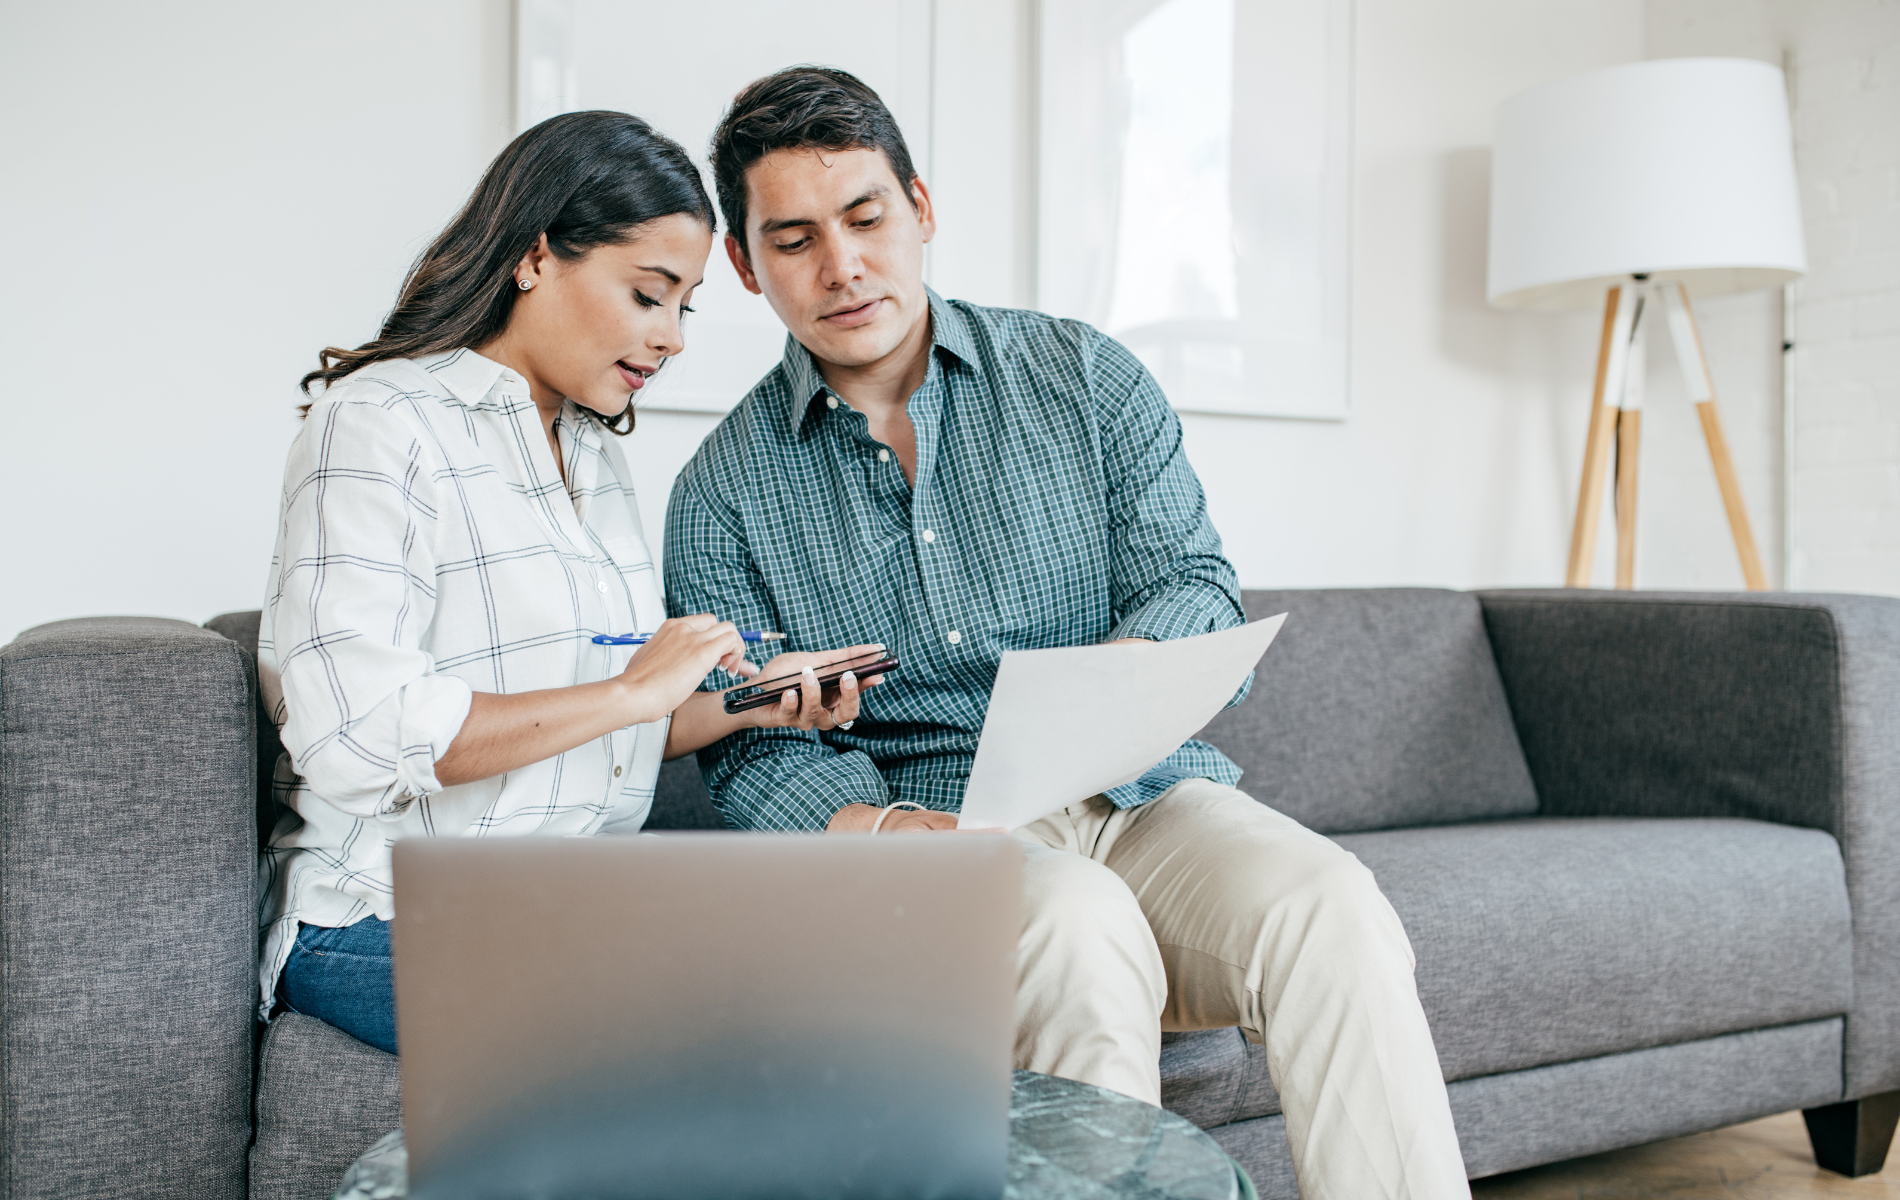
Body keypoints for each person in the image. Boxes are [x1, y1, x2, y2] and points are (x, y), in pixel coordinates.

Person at [664, 68, 1471, 1199]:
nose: (842, 266)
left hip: (1148, 795)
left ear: (922, 209)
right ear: (747, 267)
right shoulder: (720, 494)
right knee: (1078, 928)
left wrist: (1119, 682)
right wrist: (889, 828)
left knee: (1329, 905)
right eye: (793, 240)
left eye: (866, 218)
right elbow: (748, 753)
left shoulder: (1083, 377)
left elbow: (1192, 580)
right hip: (936, 836)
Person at [257, 110, 880, 1054]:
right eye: (648, 294)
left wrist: (752, 705)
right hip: (390, 917)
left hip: (574, 898)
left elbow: (603, 730)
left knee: (862, 967)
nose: (671, 338)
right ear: (536, 257)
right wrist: (632, 689)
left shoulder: (591, 451)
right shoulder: (378, 423)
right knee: (731, 1035)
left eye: (685, 306)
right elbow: (357, 734)